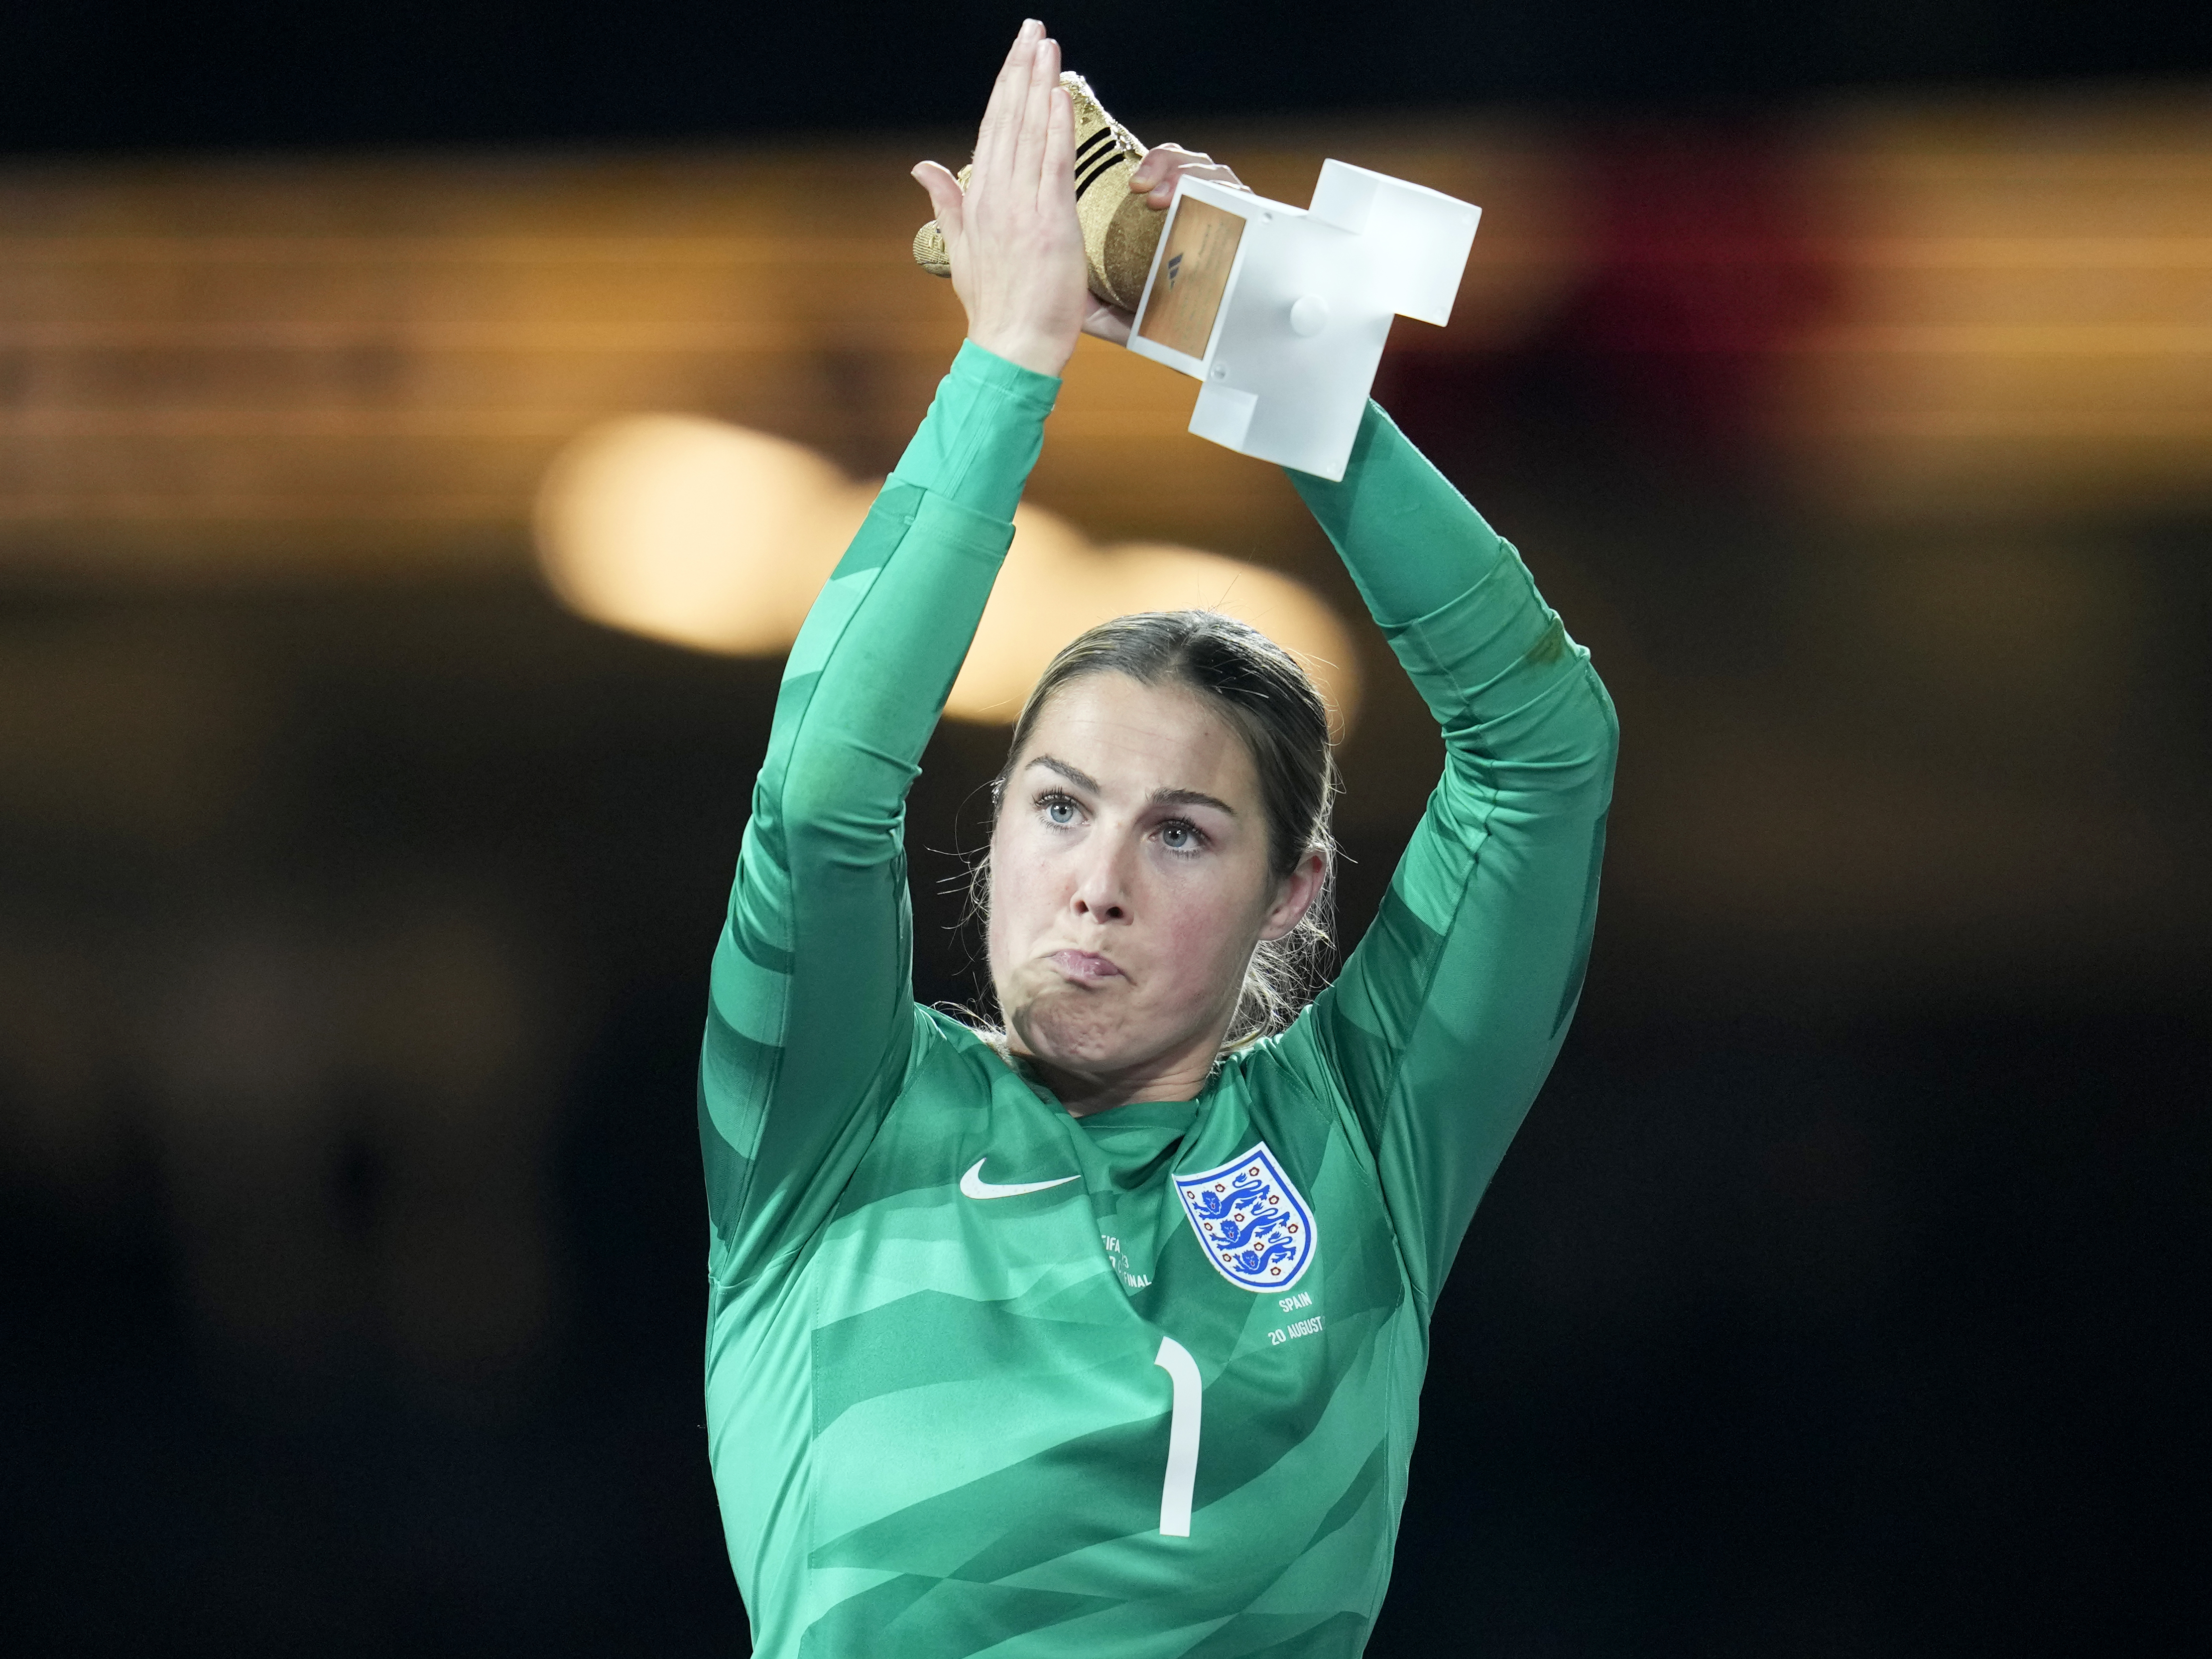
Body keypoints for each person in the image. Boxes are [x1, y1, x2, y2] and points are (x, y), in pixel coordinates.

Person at [696, 21, 1617, 1657]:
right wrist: (1008, 366)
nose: (1098, 880)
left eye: (1184, 834)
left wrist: (1263, 332)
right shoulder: (829, 1118)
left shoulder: (1364, 1140)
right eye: (1059, 806)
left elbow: (1544, 748)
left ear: (1294, 895)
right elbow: (821, 799)